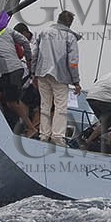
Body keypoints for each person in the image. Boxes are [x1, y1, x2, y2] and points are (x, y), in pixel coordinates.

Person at [31, 11, 81, 146]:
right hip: (60, 76)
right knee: (60, 106)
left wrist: (33, 73)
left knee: (45, 104)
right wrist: (76, 81)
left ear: (58, 20)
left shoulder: (44, 32)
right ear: (69, 23)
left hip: (41, 73)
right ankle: (58, 136)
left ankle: (44, 134)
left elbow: (34, 53)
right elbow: (73, 61)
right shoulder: (70, 37)